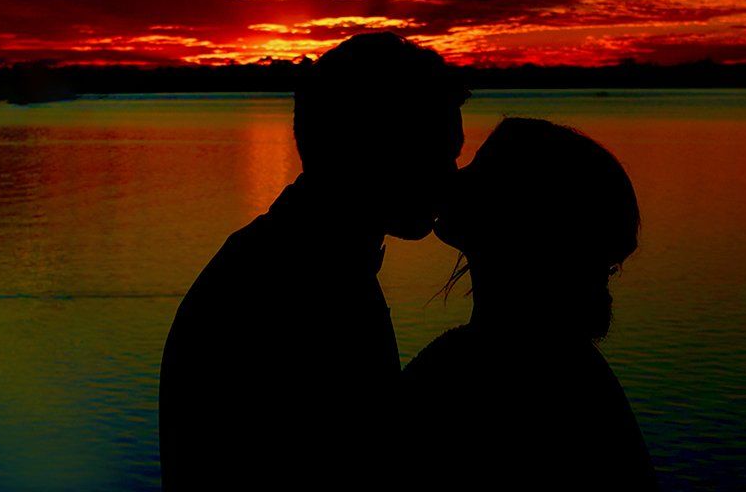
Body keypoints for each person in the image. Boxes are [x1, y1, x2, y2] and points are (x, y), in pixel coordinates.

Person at [159, 33, 468, 490]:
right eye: (437, 156)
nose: (450, 180)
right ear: (372, 149)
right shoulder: (301, 290)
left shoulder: (305, 258)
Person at [401, 117, 658, 489]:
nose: (454, 177)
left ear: (522, 212)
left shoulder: (494, 371)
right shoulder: (560, 360)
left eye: (480, 168)